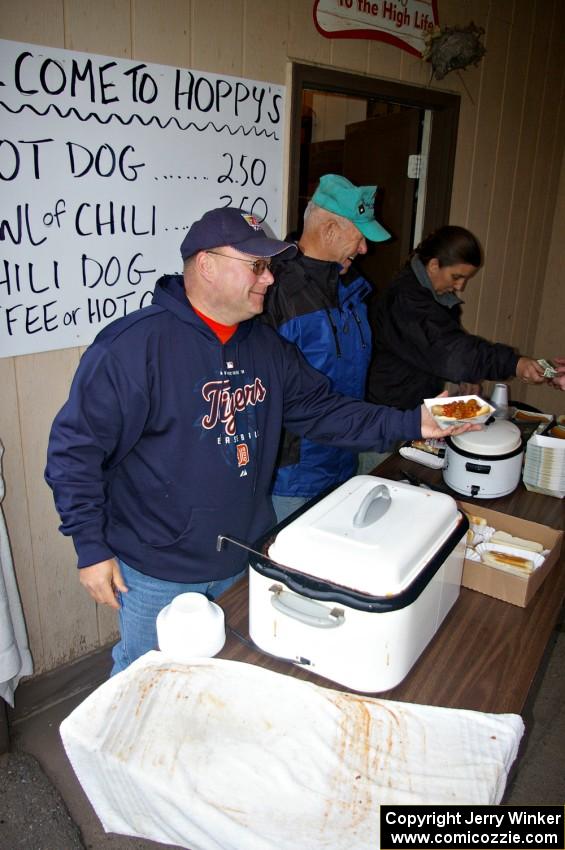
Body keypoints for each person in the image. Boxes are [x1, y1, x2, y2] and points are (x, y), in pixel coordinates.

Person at [45, 207, 475, 675]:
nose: (270, 279)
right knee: (143, 678)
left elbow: (326, 412)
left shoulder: (267, 348)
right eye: (257, 266)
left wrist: (417, 421)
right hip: (156, 568)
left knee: (226, 671)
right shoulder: (132, 347)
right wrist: (91, 547)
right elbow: (75, 453)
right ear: (206, 265)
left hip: (243, 552)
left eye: (269, 266)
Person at [262, 174, 390, 522]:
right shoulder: (274, 292)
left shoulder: (350, 290)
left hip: (343, 464)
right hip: (293, 480)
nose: (364, 249)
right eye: (359, 237)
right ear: (330, 230)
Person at [366, 225, 546, 412]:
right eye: (456, 277)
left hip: (409, 402)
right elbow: (448, 350)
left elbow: (435, 346)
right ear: (434, 265)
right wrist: (513, 363)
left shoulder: (432, 296)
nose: (460, 286)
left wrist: (465, 376)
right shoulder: (405, 299)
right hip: (389, 409)